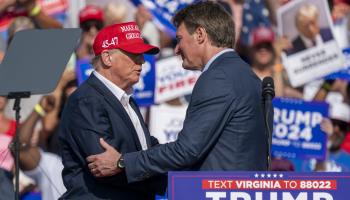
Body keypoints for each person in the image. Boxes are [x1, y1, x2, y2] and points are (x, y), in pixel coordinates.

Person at [87, 1, 268, 184]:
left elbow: (187, 151)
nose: (176, 49)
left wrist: (122, 162)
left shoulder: (217, 78)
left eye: (180, 39)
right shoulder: (247, 75)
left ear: (200, 35)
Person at [58, 22, 165, 200]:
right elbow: (104, 168)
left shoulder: (124, 99)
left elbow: (145, 147)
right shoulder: (87, 100)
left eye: (141, 54)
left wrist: (180, 158)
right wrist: (164, 176)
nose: (142, 61)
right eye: (133, 54)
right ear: (107, 58)